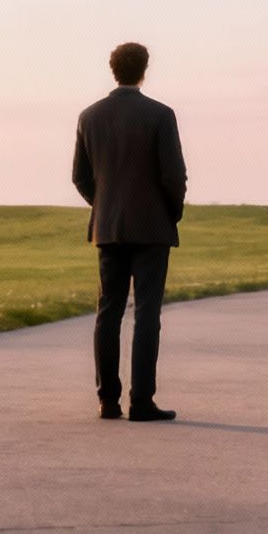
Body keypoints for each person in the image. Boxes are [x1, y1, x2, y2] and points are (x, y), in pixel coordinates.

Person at [72, 41, 188, 422]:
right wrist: (170, 213)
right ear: (144, 70)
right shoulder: (161, 115)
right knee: (147, 314)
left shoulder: (89, 116)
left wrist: (104, 205)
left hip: (108, 228)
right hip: (152, 228)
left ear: (113, 70)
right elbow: (174, 175)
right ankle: (141, 401)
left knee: (108, 312)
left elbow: (80, 177)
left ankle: (107, 401)